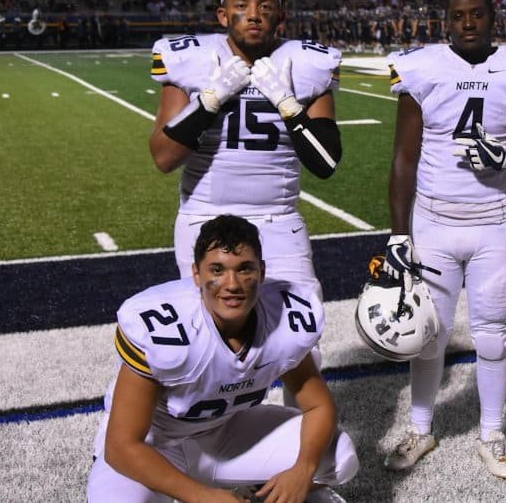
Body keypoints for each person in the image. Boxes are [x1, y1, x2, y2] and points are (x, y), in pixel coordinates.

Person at [380, 0, 506, 478]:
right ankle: (420, 428)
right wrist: (398, 234)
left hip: (497, 223)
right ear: (446, 21)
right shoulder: (423, 69)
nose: (467, 23)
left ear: (492, 16)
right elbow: (402, 161)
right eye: (458, 16)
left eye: (476, 13)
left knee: (493, 335)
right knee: (427, 335)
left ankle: (492, 432)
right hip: (433, 220)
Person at [85, 215, 359, 502]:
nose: (232, 284)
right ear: (196, 274)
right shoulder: (165, 329)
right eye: (217, 269)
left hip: (223, 434)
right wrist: (203, 497)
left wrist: (302, 470)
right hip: (154, 445)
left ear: (262, 272)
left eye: (245, 269)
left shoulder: (283, 318)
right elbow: (121, 446)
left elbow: (319, 407)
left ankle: (265, 490)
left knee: (339, 456)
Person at [148, 0, 342, 299]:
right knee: (213, 328)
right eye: (241, 6)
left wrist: (288, 105)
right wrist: (210, 101)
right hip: (203, 218)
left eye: (265, 6)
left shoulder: (307, 63)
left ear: (280, 18)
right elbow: (164, 157)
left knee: (300, 328)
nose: (253, 14)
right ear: (223, 15)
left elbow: (325, 163)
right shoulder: (192, 59)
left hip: (278, 220)